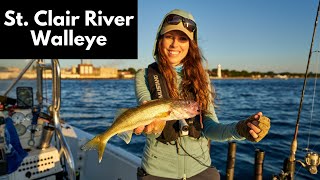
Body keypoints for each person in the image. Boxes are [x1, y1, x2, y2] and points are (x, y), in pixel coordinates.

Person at [134, 9, 270, 180]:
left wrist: (241, 129)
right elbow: (145, 106)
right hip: (157, 172)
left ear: (191, 44)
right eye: (169, 36)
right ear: (159, 40)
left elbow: (211, 127)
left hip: (201, 169)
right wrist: (147, 125)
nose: (175, 44)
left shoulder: (201, 77)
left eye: (183, 38)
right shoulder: (143, 75)